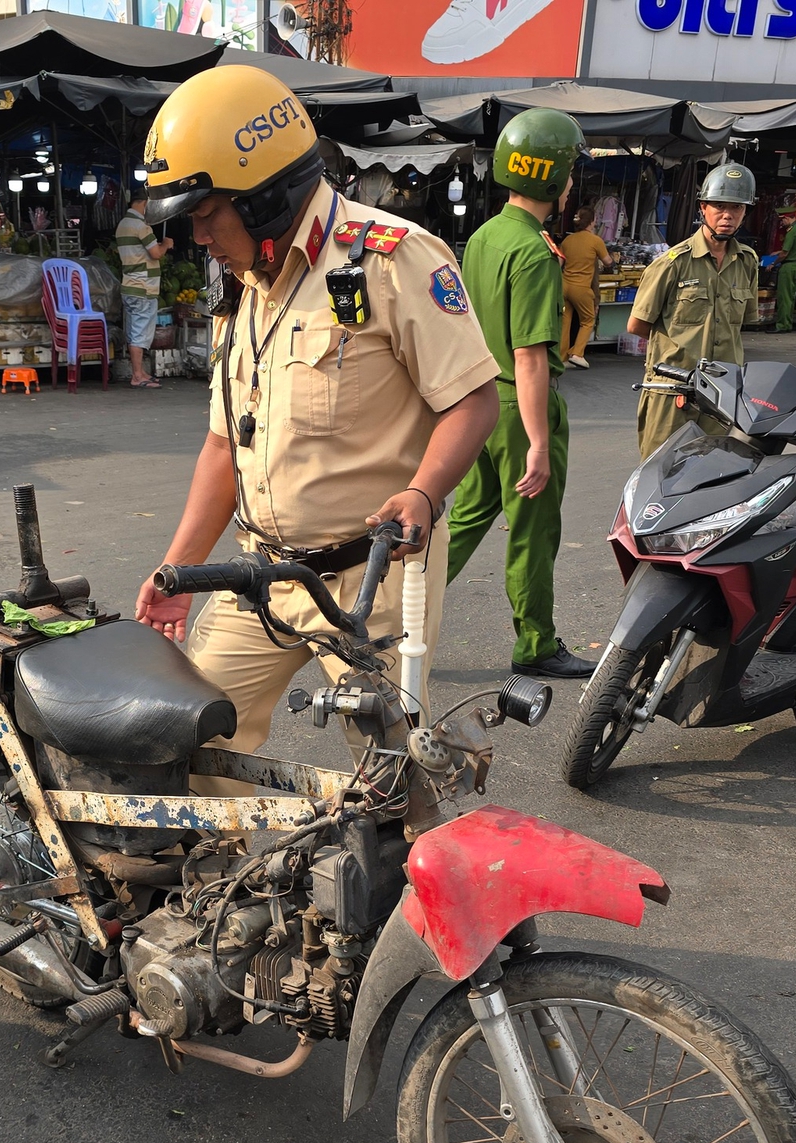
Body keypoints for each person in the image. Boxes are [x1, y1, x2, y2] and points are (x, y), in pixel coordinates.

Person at [131, 67, 499, 757]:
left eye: (206, 214)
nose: (197, 237)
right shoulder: (243, 284)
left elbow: (474, 400)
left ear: (265, 195)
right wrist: (176, 574)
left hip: (372, 582)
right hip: (261, 575)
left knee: (392, 781)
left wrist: (424, 490)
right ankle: (218, 869)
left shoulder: (394, 260)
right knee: (183, 741)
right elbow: (222, 447)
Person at [449, 108, 593, 680]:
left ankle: (385, 613)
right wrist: (538, 441)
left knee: (464, 519)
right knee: (533, 531)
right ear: (556, 179)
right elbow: (532, 356)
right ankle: (536, 644)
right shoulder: (535, 252)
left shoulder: (486, 236)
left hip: (479, 401)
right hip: (519, 406)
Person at [628, 161, 759, 460]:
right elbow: (637, 324)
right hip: (673, 391)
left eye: (736, 208)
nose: (727, 215)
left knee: (713, 473)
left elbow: (742, 324)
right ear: (703, 208)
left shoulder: (747, 262)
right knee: (661, 469)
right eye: (719, 206)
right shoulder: (672, 262)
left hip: (724, 393)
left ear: (745, 212)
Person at [115, 189, 172, 388]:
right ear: (145, 203)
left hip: (129, 285)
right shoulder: (141, 226)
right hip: (143, 287)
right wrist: (165, 244)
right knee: (140, 333)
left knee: (133, 331)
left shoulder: (123, 224)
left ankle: (140, 372)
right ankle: (138, 376)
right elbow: (155, 253)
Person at [558, 204, 615, 369]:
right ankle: (577, 353)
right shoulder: (595, 240)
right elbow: (607, 262)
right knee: (588, 320)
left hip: (564, 285)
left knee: (565, 321)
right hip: (581, 288)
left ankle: (562, 358)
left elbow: (559, 263)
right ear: (592, 222)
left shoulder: (568, 240)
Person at [773, 208, 796, 335]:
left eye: (782, 219)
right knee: (791, 297)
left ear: (787, 218)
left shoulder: (791, 231)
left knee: (784, 297)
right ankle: (787, 323)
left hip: (789, 267)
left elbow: (785, 253)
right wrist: (778, 252)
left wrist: (773, 262)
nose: (782, 222)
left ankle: (782, 325)